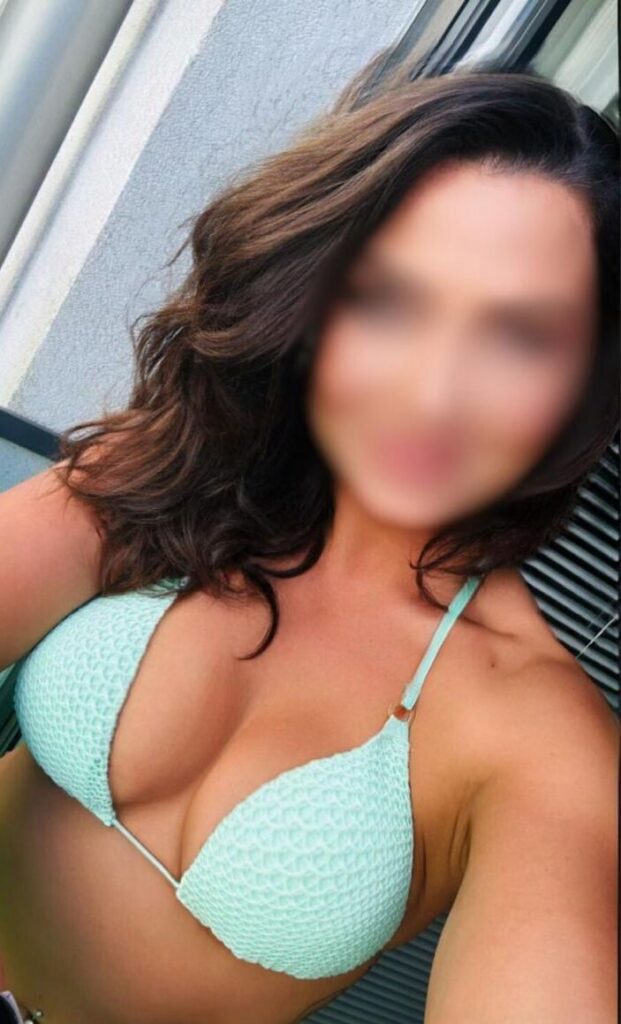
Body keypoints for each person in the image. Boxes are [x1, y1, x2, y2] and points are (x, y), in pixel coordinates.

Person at [0, 52, 618, 1024]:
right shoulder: (171, 472)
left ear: (586, 383)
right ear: (317, 302)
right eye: (391, 302)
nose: (433, 393)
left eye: (518, 338)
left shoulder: (537, 733)